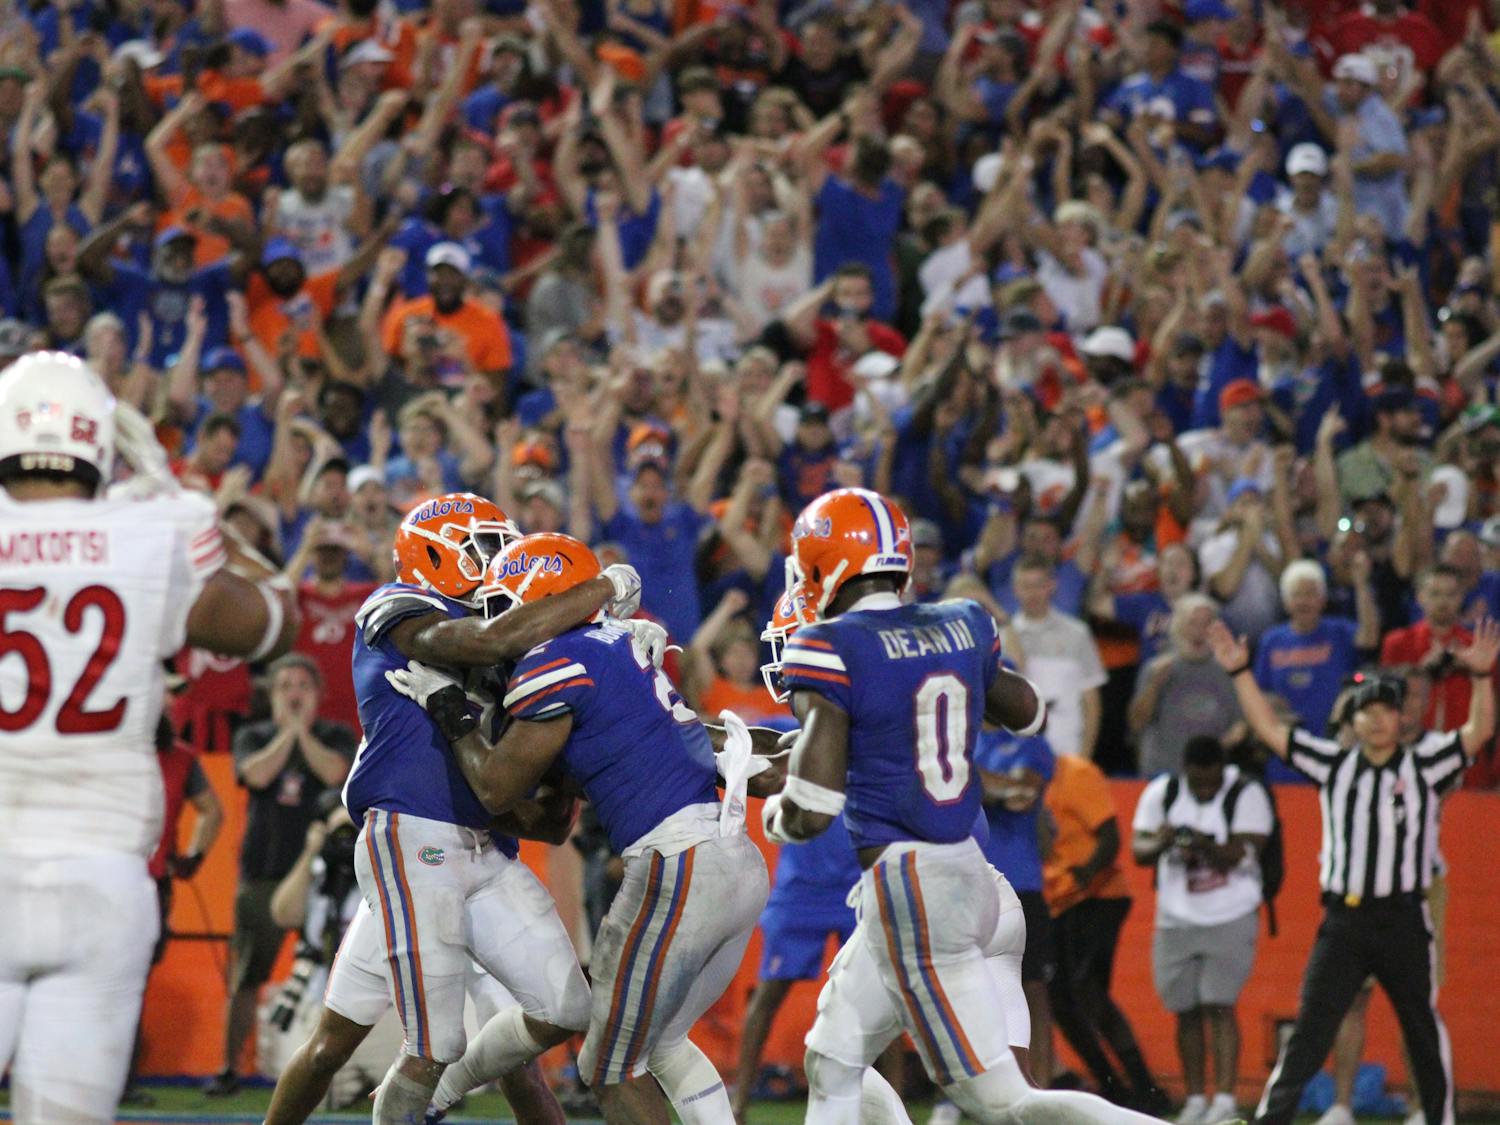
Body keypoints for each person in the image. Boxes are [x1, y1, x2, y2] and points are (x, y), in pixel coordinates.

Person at [765, 487, 1164, 1124]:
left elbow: (810, 810)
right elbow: (1028, 712)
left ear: (827, 562)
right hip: (972, 878)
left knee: (1000, 1103)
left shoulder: (833, 646)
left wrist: (772, 812)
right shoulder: (961, 622)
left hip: (916, 887)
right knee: (832, 1060)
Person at [0, 352, 298, 1124]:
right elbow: (275, 619)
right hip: (103, 878)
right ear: (100, 439)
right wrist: (194, 515)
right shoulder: (151, 534)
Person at [389, 532, 771, 1125]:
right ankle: (444, 1095)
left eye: (506, 604)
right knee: (659, 1046)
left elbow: (494, 786)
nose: (498, 625)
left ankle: (441, 1095)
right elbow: (553, 814)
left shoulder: (557, 660)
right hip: (735, 857)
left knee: (610, 1067)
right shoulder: (619, 648)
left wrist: (452, 712)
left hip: (680, 862)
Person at [329, 498, 645, 1125]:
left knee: (566, 1008)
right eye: (481, 547)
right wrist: (602, 585)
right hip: (412, 838)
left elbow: (550, 819)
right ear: (434, 552)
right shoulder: (406, 608)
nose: (494, 562)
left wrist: (607, 648)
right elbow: (492, 637)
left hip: (483, 846)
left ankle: (440, 1094)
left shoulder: (522, 642)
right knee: (426, 1042)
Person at [1207, 618, 1499, 1125]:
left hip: (1405, 919)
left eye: (1388, 710)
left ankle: (1438, 1117)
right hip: (1344, 922)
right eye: (1369, 712)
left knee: (1422, 1031)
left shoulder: (1424, 765)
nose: (1379, 720)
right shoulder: (1335, 764)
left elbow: (1478, 733)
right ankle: (1271, 1120)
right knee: (1309, 1034)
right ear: (1355, 721)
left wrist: (1479, 679)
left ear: (1401, 718)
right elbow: (1271, 730)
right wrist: (1239, 673)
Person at [209, 654, 358, 1097]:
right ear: (271, 694)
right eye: (285, 687)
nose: (294, 695)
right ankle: (228, 1067)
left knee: (333, 977)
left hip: (326, 877)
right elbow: (255, 775)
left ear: (317, 694)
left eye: (302, 687)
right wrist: (288, 733)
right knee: (247, 975)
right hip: (265, 871)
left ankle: (335, 1072)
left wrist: (300, 733)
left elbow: (336, 772)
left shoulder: (336, 735)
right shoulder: (254, 735)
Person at [1132, 736, 1273, 1125]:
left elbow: (1245, 851)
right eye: (1198, 782)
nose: (1205, 789)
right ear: (1186, 771)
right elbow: (1138, 851)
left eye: (1212, 781)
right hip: (1176, 916)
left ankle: (1224, 1100)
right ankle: (1195, 1099)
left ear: (1222, 770)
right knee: (1184, 1010)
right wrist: (1165, 839)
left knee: (1220, 1005)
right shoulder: (1164, 792)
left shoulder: (1246, 792)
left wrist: (1201, 843)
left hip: (1231, 912)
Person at [1045, 751, 1167, 1113]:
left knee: (1087, 990)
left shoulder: (1075, 773)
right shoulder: (1021, 775)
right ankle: (1114, 1087)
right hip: (1058, 901)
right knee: (1059, 1000)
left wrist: (1085, 874)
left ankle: (1144, 1087)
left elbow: (1110, 838)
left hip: (1098, 895)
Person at [1008, 553, 1109, 759]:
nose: (1032, 593)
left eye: (1039, 585)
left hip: (1067, 746)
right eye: (1025, 586)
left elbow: (1091, 702)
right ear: (1015, 590)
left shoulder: (1077, 633)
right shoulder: (1001, 638)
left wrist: (1085, 756)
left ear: (1052, 586)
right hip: (1016, 752)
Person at [1128, 595, 1241, 777]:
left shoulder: (1228, 671)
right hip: (1163, 773)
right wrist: (1153, 687)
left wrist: (1230, 739)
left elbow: (1240, 723)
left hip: (1210, 776)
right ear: (1177, 628)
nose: (1199, 631)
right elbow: (1136, 724)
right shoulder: (1156, 669)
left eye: (1206, 624)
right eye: (1192, 623)